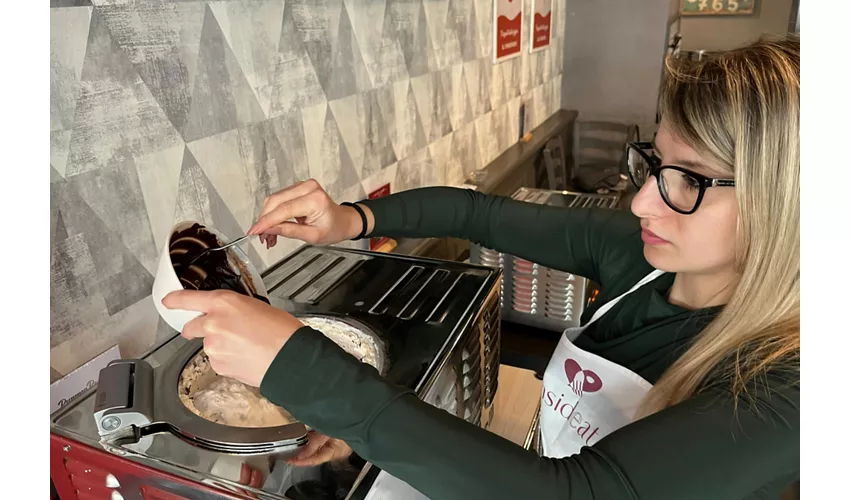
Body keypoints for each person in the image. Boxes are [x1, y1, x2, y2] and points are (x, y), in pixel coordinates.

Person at [163, 35, 799, 499]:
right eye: (654, 164)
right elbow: (478, 215)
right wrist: (349, 220)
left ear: (789, 202)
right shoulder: (641, 253)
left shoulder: (792, 388)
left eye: (686, 179)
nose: (640, 200)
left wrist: (312, 375)